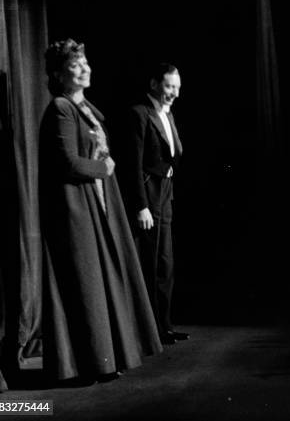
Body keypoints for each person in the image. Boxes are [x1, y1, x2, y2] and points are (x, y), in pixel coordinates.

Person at [39, 39, 162, 384]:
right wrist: (103, 169)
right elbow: (66, 162)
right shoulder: (61, 108)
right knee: (87, 285)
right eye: (76, 65)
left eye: (85, 63)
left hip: (99, 203)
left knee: (104, 279)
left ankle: (109, 358)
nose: (85, 68)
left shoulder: (85, 109)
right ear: (58, 74)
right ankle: (90, 363)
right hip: (77, 208)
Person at [117, 63, 188, 344]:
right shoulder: (140, 114)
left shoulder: (166, 114)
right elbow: (133, 165)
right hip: (149, 197)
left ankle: (164, 327)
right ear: (155, 84)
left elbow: (173, 155)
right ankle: (150, 331)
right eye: (170, 86)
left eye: (177, 88)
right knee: (150, 264)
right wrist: (141, 205)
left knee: (165, 265)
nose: (174, 93)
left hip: (165, 195)